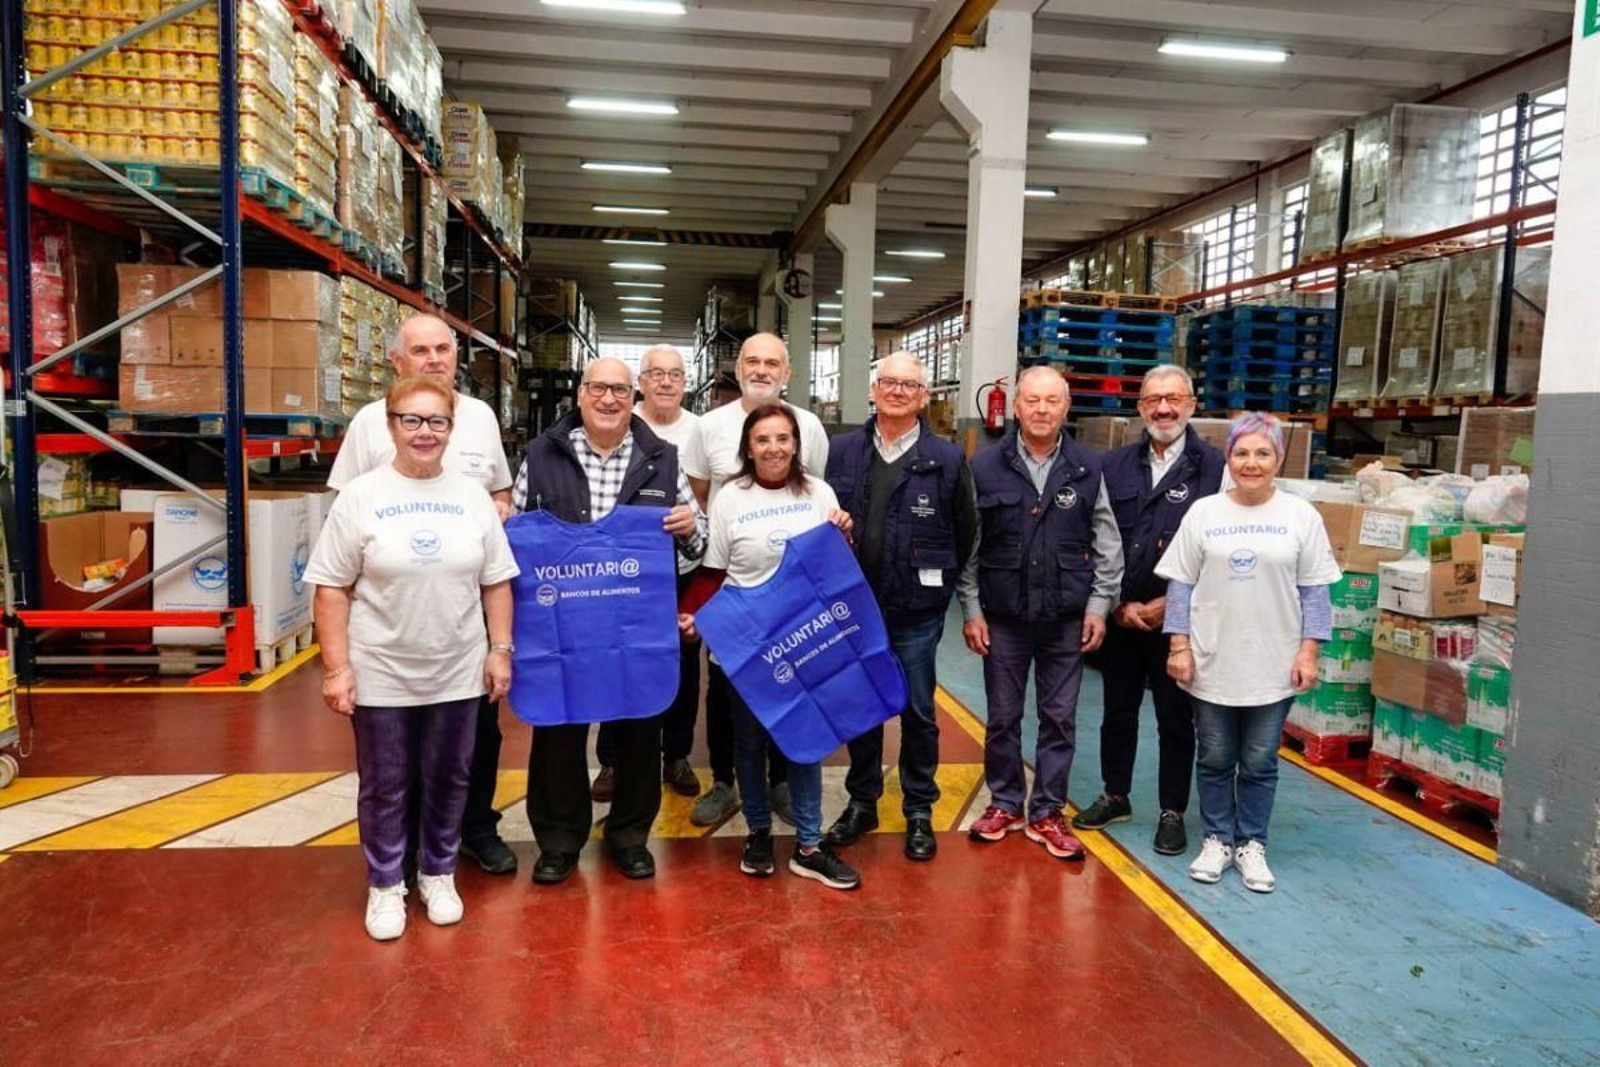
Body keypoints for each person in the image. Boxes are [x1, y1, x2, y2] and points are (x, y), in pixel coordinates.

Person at [306, 376, 519, 941]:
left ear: (452, 429)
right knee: (385, 783)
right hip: (382, 670)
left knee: (451, 777)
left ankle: (438, 871)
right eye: (412, 420)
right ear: (391, 424)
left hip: (458, 667)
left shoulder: (472, 495)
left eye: (437, 422)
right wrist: (337, 667)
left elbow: (497, 582)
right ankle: (384, 885)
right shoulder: (361, 496)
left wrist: (500, 650)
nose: (425, 433)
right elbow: (330, 588)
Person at [512, 357, 706, 885]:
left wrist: (691, 525)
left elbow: (698, 542)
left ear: (633, 397)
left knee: (639, 728)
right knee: (558, 728)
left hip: (635, 626)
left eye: (619, 390)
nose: (609, 399)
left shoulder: (662, 460)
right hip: (560, 624)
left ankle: (628, 836)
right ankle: (558, 841)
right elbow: (515, 535)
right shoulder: (540, 455)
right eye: (598, 388)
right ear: (580, 394)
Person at [1156, 412, 1340, 893]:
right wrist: (1179, 644)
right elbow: (1181, 585)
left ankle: (1251, 843)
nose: (1251, 463)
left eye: (1263, 453)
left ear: (1278, 458)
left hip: (1274, 663)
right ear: (1229, 458)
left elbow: (1316, 593)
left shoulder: (1301, 516)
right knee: (1215, 756)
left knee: (1259, 760)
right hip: (1213, 658)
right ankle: (1217, 838)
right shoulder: (1204, 514)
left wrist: (1309, 654)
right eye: (1242, 453)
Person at [680, 404, 861, 890]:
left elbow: (836, 566)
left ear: (796, 444)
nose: (774, 448)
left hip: (804, 639)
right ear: (748, 447)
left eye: (783, 438)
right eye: (763, 440)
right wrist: (695, 613)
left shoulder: (818, 492)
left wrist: (845, 535)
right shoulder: (730, 498)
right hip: (746, 644)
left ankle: (808, 843)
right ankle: (758, 833)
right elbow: (714, 573)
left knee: (806, 740)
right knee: (749, 742)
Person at [957, 366, 1124, 862]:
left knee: (1059, 718)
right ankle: (1005, 803)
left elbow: (1108, 543)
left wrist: (1099, 605)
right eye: (1032, 400)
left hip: (1066, 618)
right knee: (1003, 717)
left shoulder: (1088, 468)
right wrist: (970, 609)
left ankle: (1047, 811)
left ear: (1066, 407)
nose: (1042, 410)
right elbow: (970, 546)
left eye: (1052, 401)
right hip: (1004, 617)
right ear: (1016, 406)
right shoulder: (985, 466)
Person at [822, 352, 977, 862]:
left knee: (917, 710)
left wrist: (935, 586)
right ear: (872, 389)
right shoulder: (841, 452)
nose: (897, 391)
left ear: (923, 396)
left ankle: (917, 809)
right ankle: (863, 801)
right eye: (888, 382)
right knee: (861, 706)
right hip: (854, 608)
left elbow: (966, 530)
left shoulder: (948, 458)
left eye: (909, 385)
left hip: (915, 609)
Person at [1072, 365, 1225, 856]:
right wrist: (1115, 602)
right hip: (1122, 615)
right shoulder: (1113, 465)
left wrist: (1170, 604)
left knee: (1175, 717)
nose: (1164, 409)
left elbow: (1218, 551)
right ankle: (1116, 794)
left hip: (1179, 620)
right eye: (1154, 400)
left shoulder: (1215, 468)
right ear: (1139, 407)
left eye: (1174, 399)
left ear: (1192, 404)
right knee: (1117, 711)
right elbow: (1092, 539)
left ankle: (1172, 810)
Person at [681, 333, 828, 828]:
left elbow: (811, 500)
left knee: (793, 689)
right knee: (725, 697)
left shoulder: (807, 425)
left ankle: (782, 782)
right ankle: (725, 783)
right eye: (752, 361)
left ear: (786, 372)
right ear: (737, 367)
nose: (761, 369)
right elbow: (702, 497)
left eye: (772, 363)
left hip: (793, 607)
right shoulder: (709, 426)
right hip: (735, 590)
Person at [592, 344, 702, 803]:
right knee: (616, 662)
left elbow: (705, 496)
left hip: (681, 567)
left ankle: (675, 754)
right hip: (620, 575)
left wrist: (694, 530)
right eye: (655, 373)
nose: (664, 382)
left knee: (681, 662)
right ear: (640, 382)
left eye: (674, 374)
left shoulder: (700, 430)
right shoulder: (618, 421)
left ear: (685, 382)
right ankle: (611, 760)